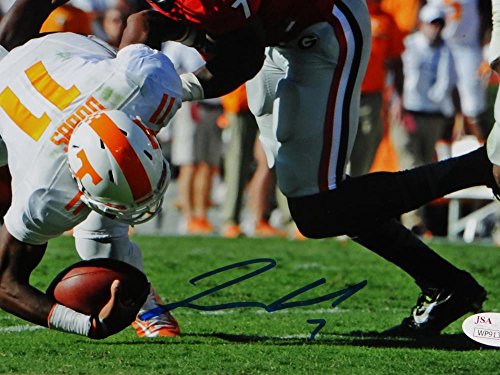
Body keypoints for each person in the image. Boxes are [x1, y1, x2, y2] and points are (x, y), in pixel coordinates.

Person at [121, 0, 500, 337]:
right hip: (275, 34)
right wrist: (126, 68)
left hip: (324, 26)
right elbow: (172, 25)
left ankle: (479, 168)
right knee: (318, 204)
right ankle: (447, 284)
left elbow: (243, 56)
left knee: (318, 209)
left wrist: (176, 88)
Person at [0, 0, 182, 338]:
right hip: (20, 99)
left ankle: (142, 302)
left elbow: (143, 24)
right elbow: (4, 282)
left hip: (70, 56)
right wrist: (88, 325)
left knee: (109, 205)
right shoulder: (45, 190)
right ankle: (143, 301)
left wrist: (210, 37)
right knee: (100, 228)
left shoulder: (142, 83)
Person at [391, 4, 456, 234]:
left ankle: (415, 221)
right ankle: (412, 222)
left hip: (433, 116)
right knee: (410, 166)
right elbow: (394, 74)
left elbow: (449, 86)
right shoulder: (409, 46)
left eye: (440, 24)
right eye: (433, 23)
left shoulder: (447, 50)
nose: (437, 28)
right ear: (422, 23)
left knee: (424, 170)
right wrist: (397, 102)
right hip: (408, 113)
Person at [349, 0, 404, 177]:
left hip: (370, 96)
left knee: (367, 143)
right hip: (342, 92)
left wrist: (399, 96)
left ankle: (355, 187)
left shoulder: (386, 20)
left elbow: (396, 60)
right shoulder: (344, 10)